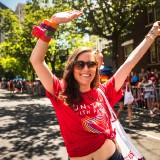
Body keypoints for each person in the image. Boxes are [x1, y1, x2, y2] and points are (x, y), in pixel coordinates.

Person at [30, 10, 160, 160]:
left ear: (96, 69)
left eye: (91, 64)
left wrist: (151, 35)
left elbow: (129, 63)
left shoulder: (103, 92)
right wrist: (53, 23)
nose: (86, 69)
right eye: (80, 64)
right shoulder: (60, 92)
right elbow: (36, 60)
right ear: (72, 67)